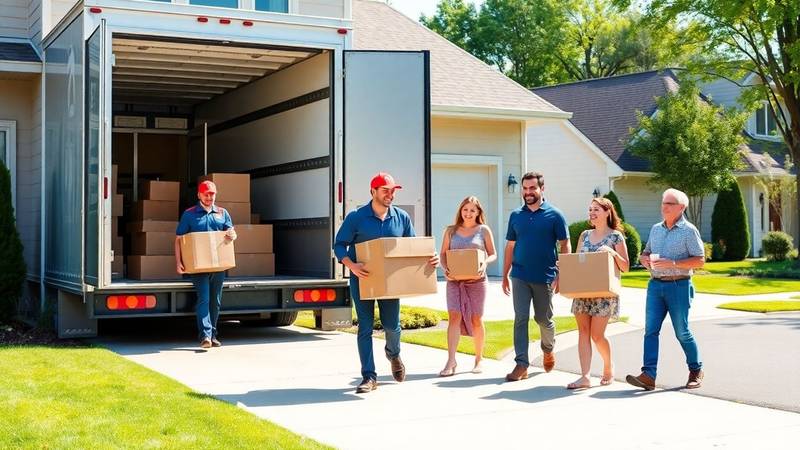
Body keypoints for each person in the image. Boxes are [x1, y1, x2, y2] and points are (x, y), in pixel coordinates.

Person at [333, 172, 439, 394]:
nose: (390, 194)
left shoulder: (401, 217)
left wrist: (430, 258)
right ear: (373, 192)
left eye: (393, 191)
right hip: (362, 280)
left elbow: (412, 248)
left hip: (391, 282)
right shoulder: (356, 217)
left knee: (392, 326)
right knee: (365, 327)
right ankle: (369, 377)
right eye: (385, 190)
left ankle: (393, 353)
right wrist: (351, 266)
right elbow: (339, 245)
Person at [626, 188, 705, 391]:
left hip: (679, 286)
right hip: (655, 286)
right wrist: (644, 259)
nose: (664, 207)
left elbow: (700, 260)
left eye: (669, 203)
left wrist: (673, 262)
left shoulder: (689, 231)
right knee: (650, 331)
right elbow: (647, 252)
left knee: (682, 332)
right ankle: (648, 376)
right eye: (663, 202)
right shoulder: (656, 229)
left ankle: (696, 370)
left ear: (681, 207)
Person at [502, 172, 570, 382]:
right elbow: (510, 246)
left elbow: (564, 244)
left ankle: (548, 349)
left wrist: (562, 274)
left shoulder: (555, 215)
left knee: (543, 319)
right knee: (520, 318)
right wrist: (505, 274)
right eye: (525, 188)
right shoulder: (516, 215)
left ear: (542, 189)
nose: (528, 192)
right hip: (520, 274)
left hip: (545, 276)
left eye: (532, 188)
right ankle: (521, 364)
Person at [566, 197, 629, 389]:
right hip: (583, 291)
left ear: (607, 212)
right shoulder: (584, 235)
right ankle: (584, 376)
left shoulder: (616, 237)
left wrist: (612, 252)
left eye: (596, 209)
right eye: (590, 209)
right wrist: (566, 267)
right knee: (583, 332)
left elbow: (625, 267)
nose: (592, 213)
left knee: (597, 335)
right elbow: (578, 260)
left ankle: (608, 366)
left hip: (605, 293)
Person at [438, 196, 497, 377]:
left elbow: (493, 254)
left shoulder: (483, 230)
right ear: (460, 211)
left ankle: (479, 359)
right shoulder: (450, 231)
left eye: (472, 210)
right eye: (465, 209)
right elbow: (443, 254)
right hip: (454, 281)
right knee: (454, 317)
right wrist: (445, 268)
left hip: (477, 281)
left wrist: (485, 263)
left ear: (478, 212)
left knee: (476, 318)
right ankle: (451, 360)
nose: (468, 213)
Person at [175, 180, 236, 349]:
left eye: (212, 194)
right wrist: (178, 262)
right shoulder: (189, 214)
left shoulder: (223, 213)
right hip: (198, 266)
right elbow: (178, 240)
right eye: (206, 194)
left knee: (215, 301)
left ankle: (213, 334)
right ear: (199, 195)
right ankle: (205, 336)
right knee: (204, 299)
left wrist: (233, 235)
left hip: (218, 267)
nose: (209, 197)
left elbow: (231, 232)